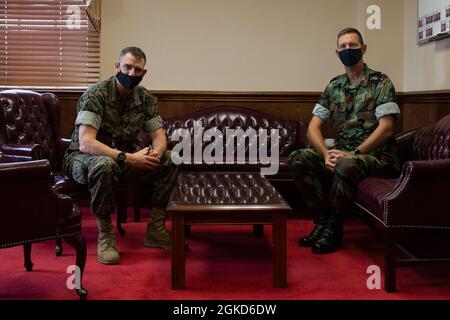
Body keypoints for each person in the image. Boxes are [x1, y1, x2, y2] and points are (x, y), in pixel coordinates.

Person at [288, 28, 401, 254]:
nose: (348, 50)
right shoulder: (334, 85)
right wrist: (324, 154)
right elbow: (313, 127)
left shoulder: (381, 82)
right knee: (298, 158)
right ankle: (322, 222)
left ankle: (334, 228)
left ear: (364, 48)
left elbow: (387, 128)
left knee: (345, 163)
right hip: (343, 154)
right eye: (344, 47)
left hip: (376, 158)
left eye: (353, 45)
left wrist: (354, 153)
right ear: (337, 52)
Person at [63, 47, 179, 265]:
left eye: (137, 70)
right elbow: (87, 143)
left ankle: (156, 228)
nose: (131, 74)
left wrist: (154, 155)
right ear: (117, 67)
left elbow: (159, 136)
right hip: (83, 158)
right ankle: (105, 236)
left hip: (124, 158)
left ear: (144, 73)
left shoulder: (145, 98)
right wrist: (130, 158)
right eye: (127, 67)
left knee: (171, 158)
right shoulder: (96, 94)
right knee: (104, 165)